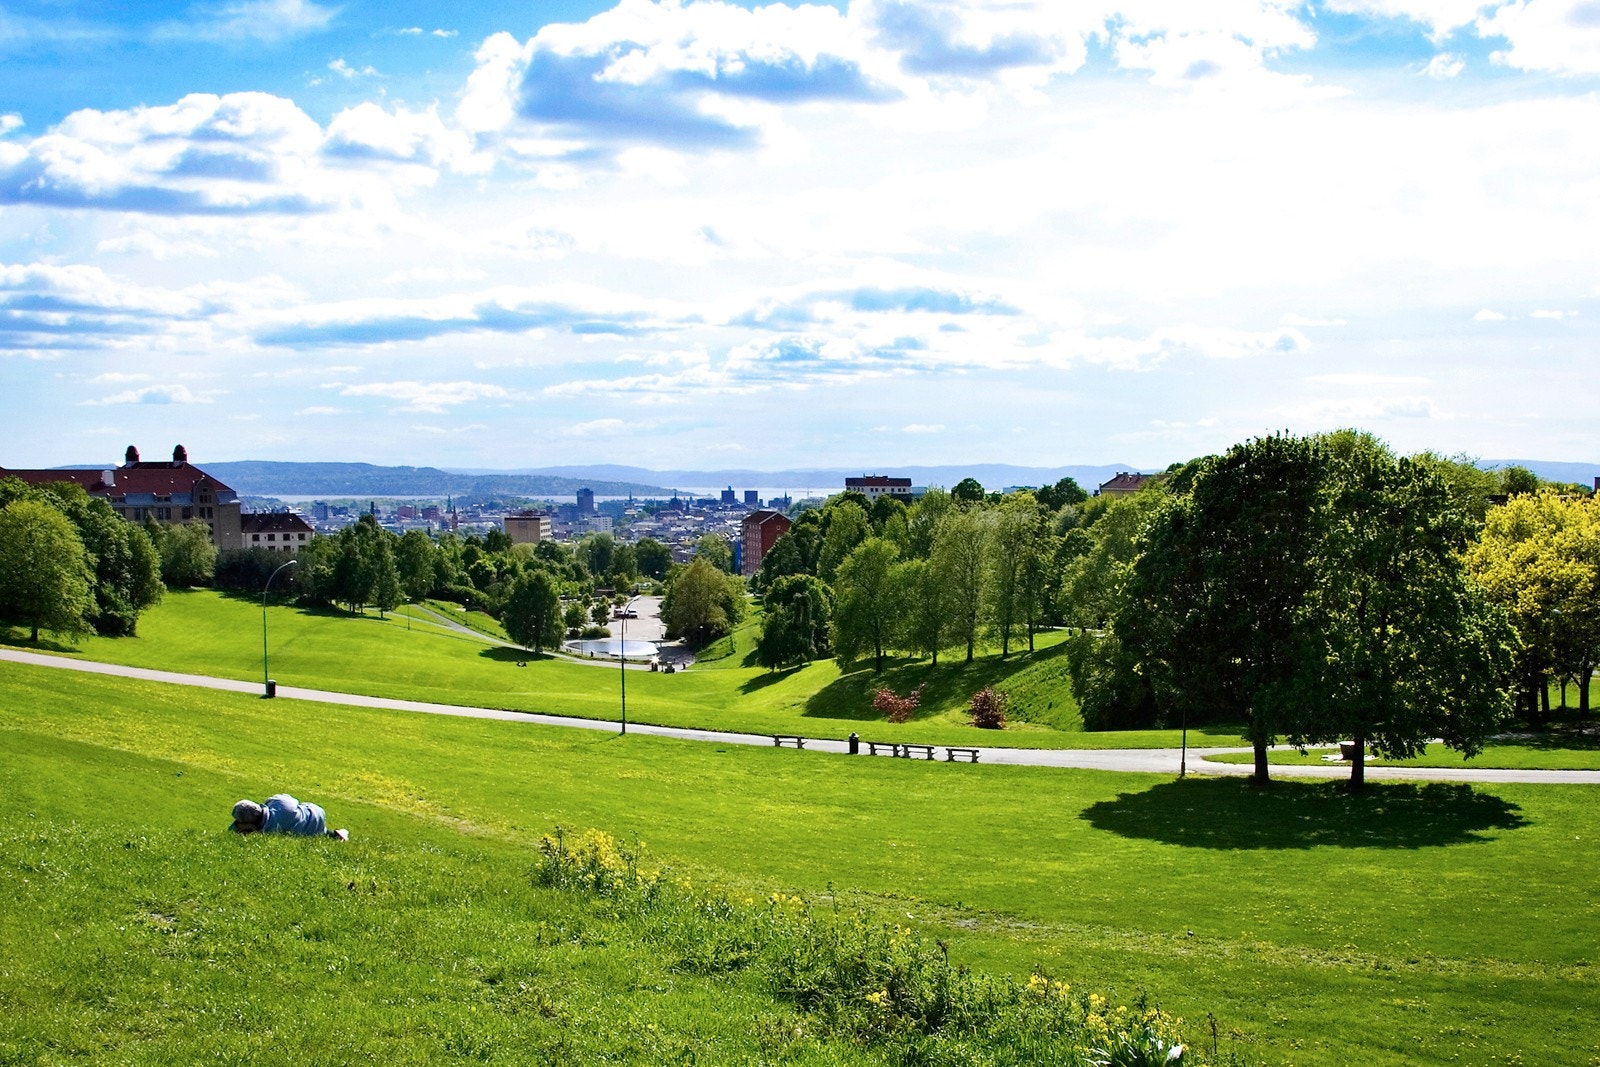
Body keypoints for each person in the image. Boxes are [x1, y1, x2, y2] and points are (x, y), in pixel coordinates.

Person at [230, 794, 349, 841]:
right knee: (301, 818)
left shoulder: (268, 834)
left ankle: (335, 836)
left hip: (312, 834)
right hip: (316, 812)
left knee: (305, 828)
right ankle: (336, 835)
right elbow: (291, 800)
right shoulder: (279, 802)